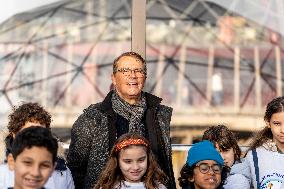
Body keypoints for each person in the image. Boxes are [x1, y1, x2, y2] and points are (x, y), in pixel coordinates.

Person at [67, 52, 175, 189]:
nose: (133, 75)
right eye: (125, 70)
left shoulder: (160, 114)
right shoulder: (92, 117)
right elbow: (75, 168)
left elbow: (166, 165)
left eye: (138, 70)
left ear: (145, 77)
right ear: (113, 78)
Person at [0, 102, 74, 189]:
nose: (35, 173)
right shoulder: (2, 168)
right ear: (14, 134)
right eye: (28, 134)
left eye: (40, 132)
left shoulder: (62, 170)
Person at [225, 96, 284, 188]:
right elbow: (239, 178)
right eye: (277, 123)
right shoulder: (254, 155)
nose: (283, 130)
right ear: (268, 122)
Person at [94, 133, 168, 189]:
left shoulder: (159, 187)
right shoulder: (108, 187)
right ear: (117, 162)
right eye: (128, 161)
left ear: (148, 159)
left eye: (141, 160)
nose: (135, 167)